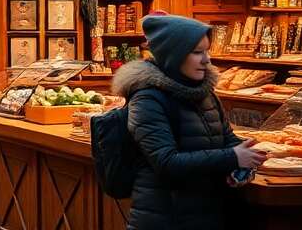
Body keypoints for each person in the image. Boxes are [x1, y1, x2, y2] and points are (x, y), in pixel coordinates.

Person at [112, 14, 264, 230]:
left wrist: (243, 165)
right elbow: (166, 162)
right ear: (173, 55)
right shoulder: (147, 98)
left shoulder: (206, 93)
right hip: (165, 220)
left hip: (206, 216)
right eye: (197, 52)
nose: (207, 60)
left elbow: (228, 140)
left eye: (207, 51)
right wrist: (233, 157)